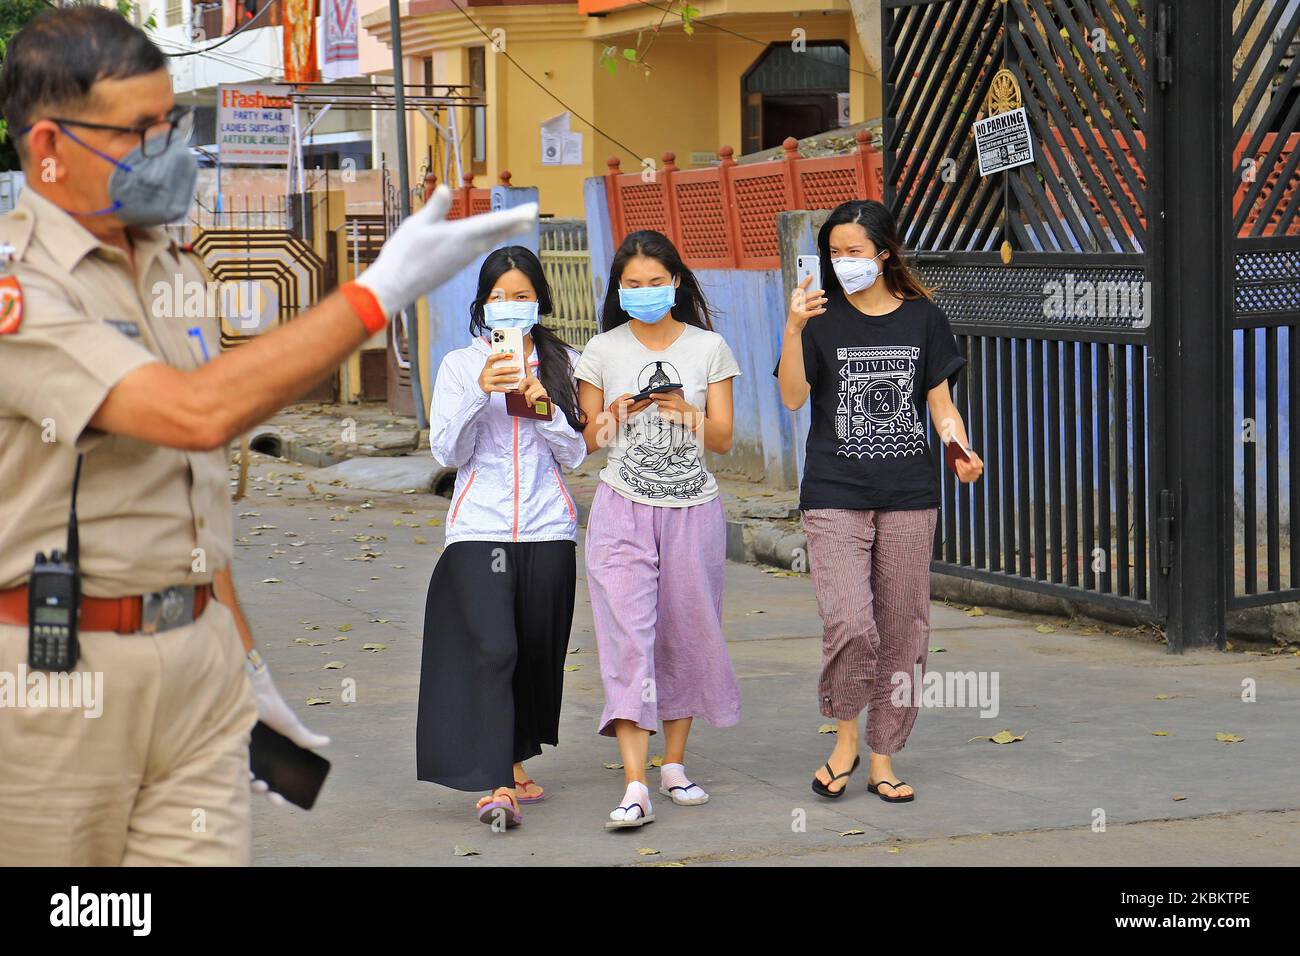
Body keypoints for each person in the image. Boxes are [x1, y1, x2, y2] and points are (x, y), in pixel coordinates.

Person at [0, 5, 536, 865]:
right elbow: (193, 411)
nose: (167, 145)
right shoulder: (19, 291)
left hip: (197, 664)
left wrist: (242, 661)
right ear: (49, 147)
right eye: (138, 129)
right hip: (65, 677)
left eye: (169, 120)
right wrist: (376, 294)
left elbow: (186, 487)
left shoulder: (171, 261)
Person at [775, 199, 983, 804]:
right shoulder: (818, 318)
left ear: (884, 254)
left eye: (854, 252)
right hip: (834, 490)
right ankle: (845, 737)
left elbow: (939, 405)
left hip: (909, 493)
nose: (843, 263)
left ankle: (883, 755)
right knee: (849, 621)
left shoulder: (923, 319)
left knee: (904, 628)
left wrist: (960, 449)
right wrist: (792, 328)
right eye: (834, 252)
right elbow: (792, 398)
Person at [574, 229, 741, 830]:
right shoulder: (600, 351)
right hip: (621, 508)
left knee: (687, 632)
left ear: (675, 283)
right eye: (632, 284)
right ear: (619, 290)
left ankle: (674, 765)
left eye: (655, 282)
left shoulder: (709, 349)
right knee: (628, 636)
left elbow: (722, 439)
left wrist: (683, 410)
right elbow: (589, 442)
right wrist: (620, 412)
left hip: (694, 509)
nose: (644, 292)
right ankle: (636, 782)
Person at [415, 246, 586, 829]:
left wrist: (546, 409)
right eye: (497, 296)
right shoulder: (461, 366)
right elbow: (447, 451)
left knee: (536, 651)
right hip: (478, 532)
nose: (509, 307)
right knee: (493, 649)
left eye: (520, 296)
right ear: (482, 304)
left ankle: (511, 759)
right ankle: (494, 783)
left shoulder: (565, 364)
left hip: (548, 530)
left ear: (539, 301)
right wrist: (481, 392)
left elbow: (577, 454)